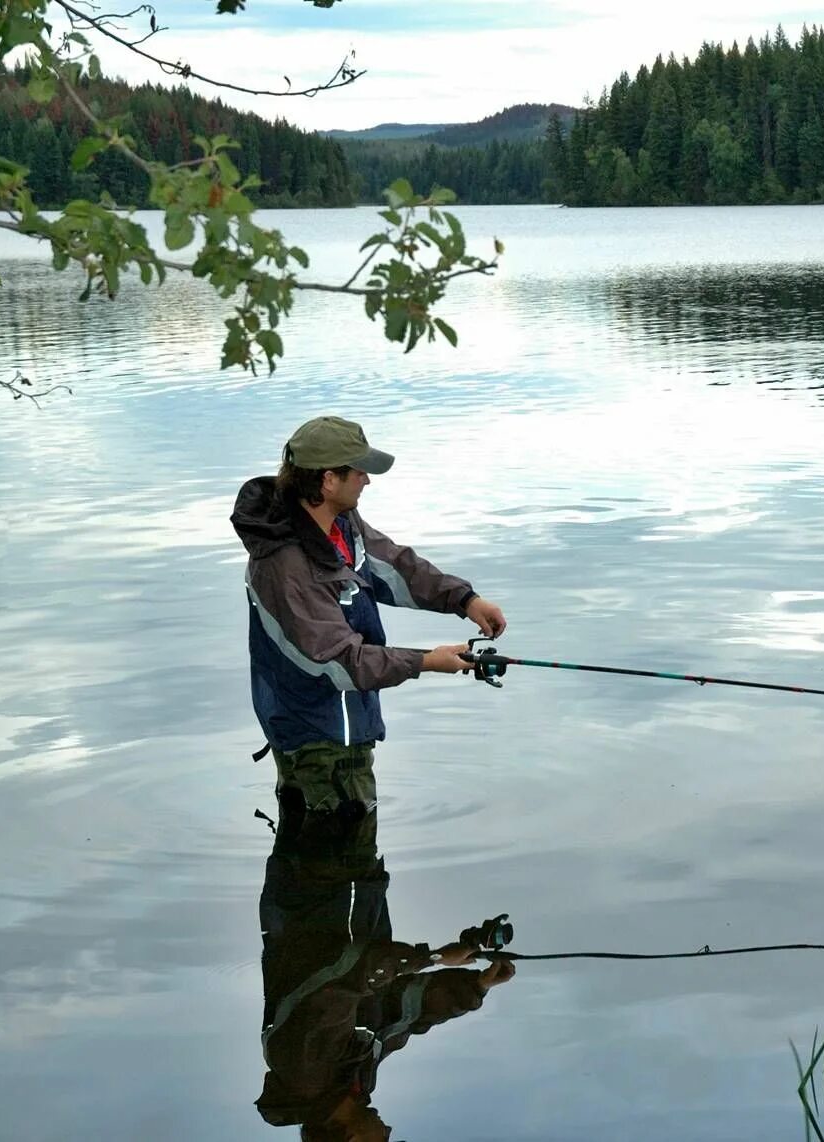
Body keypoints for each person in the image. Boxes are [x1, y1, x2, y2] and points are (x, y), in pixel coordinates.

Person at [232, 416, 507, 815]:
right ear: (328, 480)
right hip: (321, 741)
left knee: (310, 865)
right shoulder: (286, 566)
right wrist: (429, 661)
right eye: (359, 471)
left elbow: (395, 566)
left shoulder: (339, 523)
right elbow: (342, 662)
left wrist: (464, 599)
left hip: (337, 728)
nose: (368, 479)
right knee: (348, 866)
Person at [255, 796, 515, 1140]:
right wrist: (475, 988)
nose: (389, 1131)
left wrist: (434, 958)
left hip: (317, 883)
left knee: (334, 763)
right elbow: (401, 1014)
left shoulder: (304, 1069)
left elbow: (343, 977)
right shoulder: (353, 1083)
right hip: (350, 882)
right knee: (331, 770)